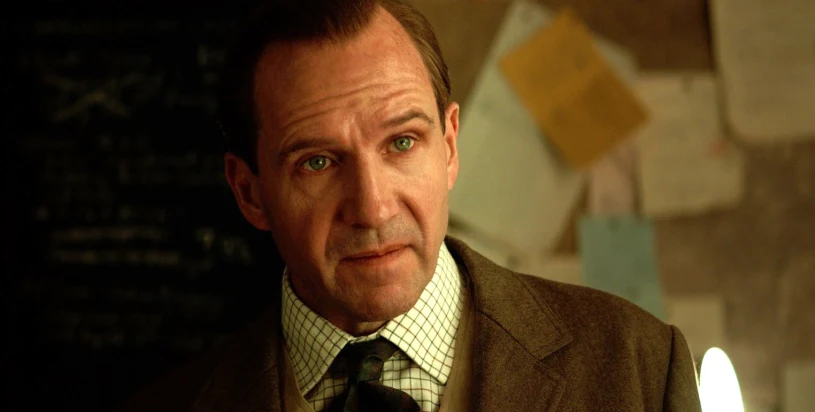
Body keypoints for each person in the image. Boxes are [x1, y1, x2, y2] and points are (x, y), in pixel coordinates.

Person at [115, 0, 702, 411]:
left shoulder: (640, 369)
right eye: (317, 162)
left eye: (401, 142)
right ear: (249, 192)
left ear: (449, 148)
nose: (372, 209)